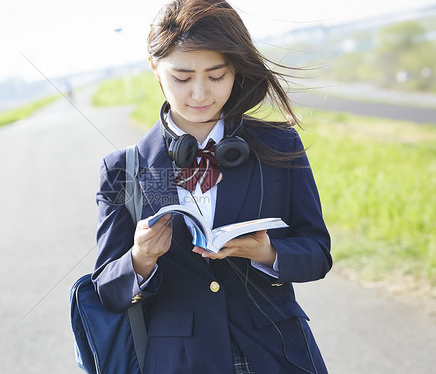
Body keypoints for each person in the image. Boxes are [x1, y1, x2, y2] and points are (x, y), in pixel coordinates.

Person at [92, 0, 332, 373]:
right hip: (180, 361)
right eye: (183, 78)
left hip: (277, 353)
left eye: (216, 76)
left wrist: (268, 253)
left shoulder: (279, 145)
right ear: (155, 69)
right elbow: (107, 287)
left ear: (235, 69)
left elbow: (317, 251)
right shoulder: (124, 168)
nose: (200, 94)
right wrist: (141, 258)